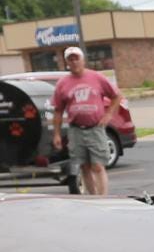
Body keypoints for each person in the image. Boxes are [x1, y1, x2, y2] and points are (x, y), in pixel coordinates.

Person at [48, 46, 127, 196]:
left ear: (83, 60)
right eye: (70, 59)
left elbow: (116, 96)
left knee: (97, 165)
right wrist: (57, 134)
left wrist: (108, 114)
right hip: (76, 129)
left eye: (76, 58)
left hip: (95, 128)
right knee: (84, 166)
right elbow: (58, 110)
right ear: (67, 63)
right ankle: (93, 197)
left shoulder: (97, 78)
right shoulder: (62, 83)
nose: (74, 62)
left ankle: (103, 197)